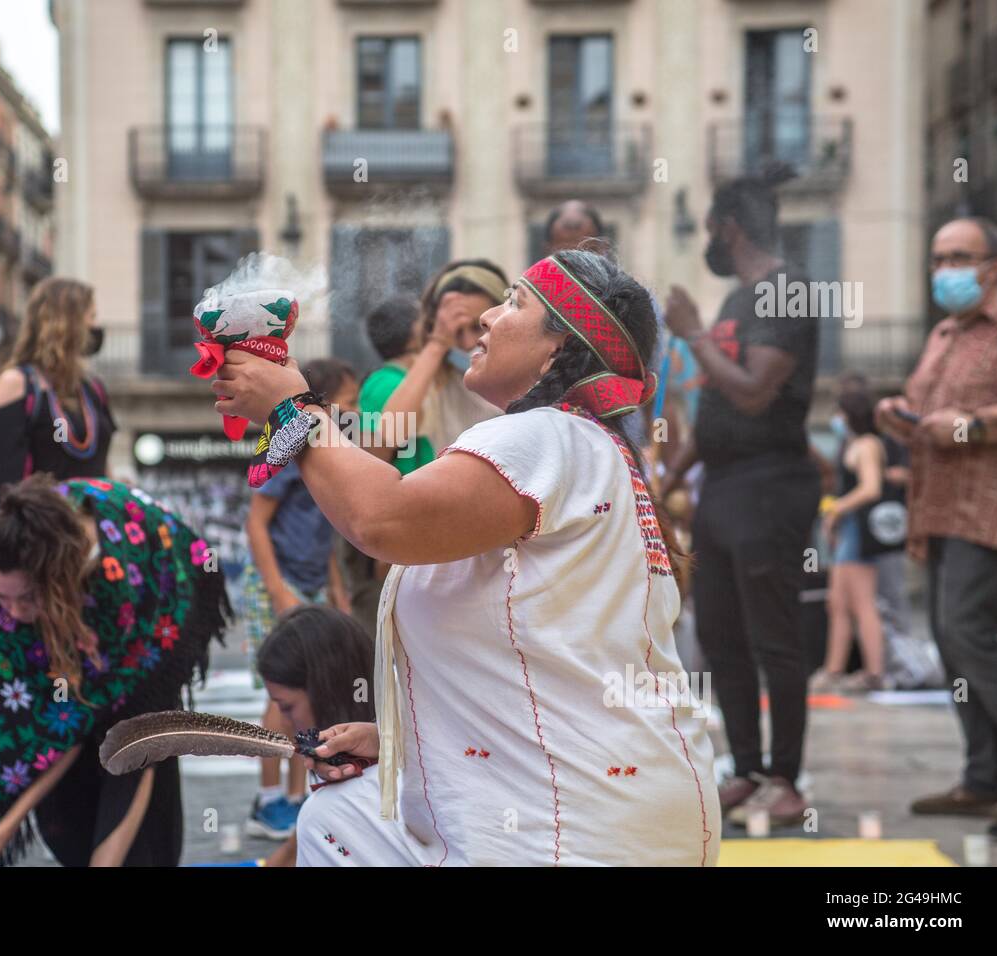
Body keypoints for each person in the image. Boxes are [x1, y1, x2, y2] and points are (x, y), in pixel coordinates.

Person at [213, 248, 720, 866]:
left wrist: (292, 407)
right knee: (335, 814)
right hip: (615, 812)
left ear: (557, 348)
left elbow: (382, 519)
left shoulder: (545, 438)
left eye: (514, 302)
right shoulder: (586, 447)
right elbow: (537, 663)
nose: (486, 318)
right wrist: (404, 743)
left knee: (334, 818)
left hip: (572, 829)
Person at [0, 476, 230, 866]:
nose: (14, 613)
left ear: (59, 585)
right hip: (72, 621)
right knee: (66, 827)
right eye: (2, 597)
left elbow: (126, 733)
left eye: (27, 598)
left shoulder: (120, 584)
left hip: (158, 602)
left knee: (142, 847)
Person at [660, 163, 821, 828]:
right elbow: (721, 409)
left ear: (729, 228)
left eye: (708, 229)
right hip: (721, 486)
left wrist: (694, 332)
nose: (707, 243)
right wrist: (666, 480)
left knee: (774, 638)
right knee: (722, 635)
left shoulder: (788, 292)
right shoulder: (734, 302)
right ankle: (747, 768)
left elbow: (754, 391)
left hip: (770, 484)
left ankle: (786, 777)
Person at [875, 216, 997, 841]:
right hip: (939, 505)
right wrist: (903, 418)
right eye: (938, 258)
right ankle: (984, 778)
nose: (946, 269)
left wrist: (973, 424)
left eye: (960, 257)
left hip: (992, 506)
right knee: (952, 642)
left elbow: (978, 418)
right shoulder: (942, 333)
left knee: (968, 630)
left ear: (994, 267)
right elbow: (930, 412)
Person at [241, 358, 357, 841]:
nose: (356, 412)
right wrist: (278, 590)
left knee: (306, 695)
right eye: (349, 404)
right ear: (322, 402)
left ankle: (294, 794)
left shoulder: (329, 449)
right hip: (280, 580)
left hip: (308, 582)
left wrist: (336, 591)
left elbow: (327, 528)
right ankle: (268, 800)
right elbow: (255, 522)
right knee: (282, 694)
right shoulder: (289, 441)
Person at [0, 277, 114, 529]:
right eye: (91, 316)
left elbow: (101, 466)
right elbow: (1, 485)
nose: (95, 325)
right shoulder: (17, 384)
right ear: (66, 324)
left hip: (95, 538)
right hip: (44, 542)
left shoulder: (92, 389)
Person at [253, 604, 376, 866]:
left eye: (287, 707)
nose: (285, 723)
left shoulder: (333, 809)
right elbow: (290, 852)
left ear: (324, 688)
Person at [359, 261, 504, 473]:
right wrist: (438, 344)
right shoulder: (432, 377)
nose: (467, 343)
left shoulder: (529, 373)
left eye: (478, 327)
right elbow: (385, 440)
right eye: (456, 331)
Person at [811, 389, 903, 693]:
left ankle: (875, 672)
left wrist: (837, 508)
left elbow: (871, 488)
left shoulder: (866, 445)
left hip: (859, 532)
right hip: (849, 530)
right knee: (837, 602)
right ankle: (834, 669)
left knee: (862, 602)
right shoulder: (852, 444)